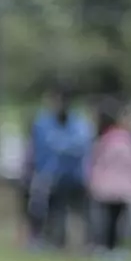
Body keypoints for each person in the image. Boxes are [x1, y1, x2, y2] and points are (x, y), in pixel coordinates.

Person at [29, 86, 94, 251]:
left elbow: (81, 146)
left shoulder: (78, 123)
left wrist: (60, 145)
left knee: (80, 213)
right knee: (50, 210)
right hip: (49, 175)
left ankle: (85, 245)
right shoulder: (43, 122)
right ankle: (52, 242)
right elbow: (41, 148)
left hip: (74, 176)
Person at [86, 99, 131, 261]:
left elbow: (95, 162)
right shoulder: (125, 139)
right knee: (116, 222)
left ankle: (106, 248)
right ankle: (113, 249)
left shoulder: (103, 139)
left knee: (107, 221)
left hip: (106, 188)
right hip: (121, 189)